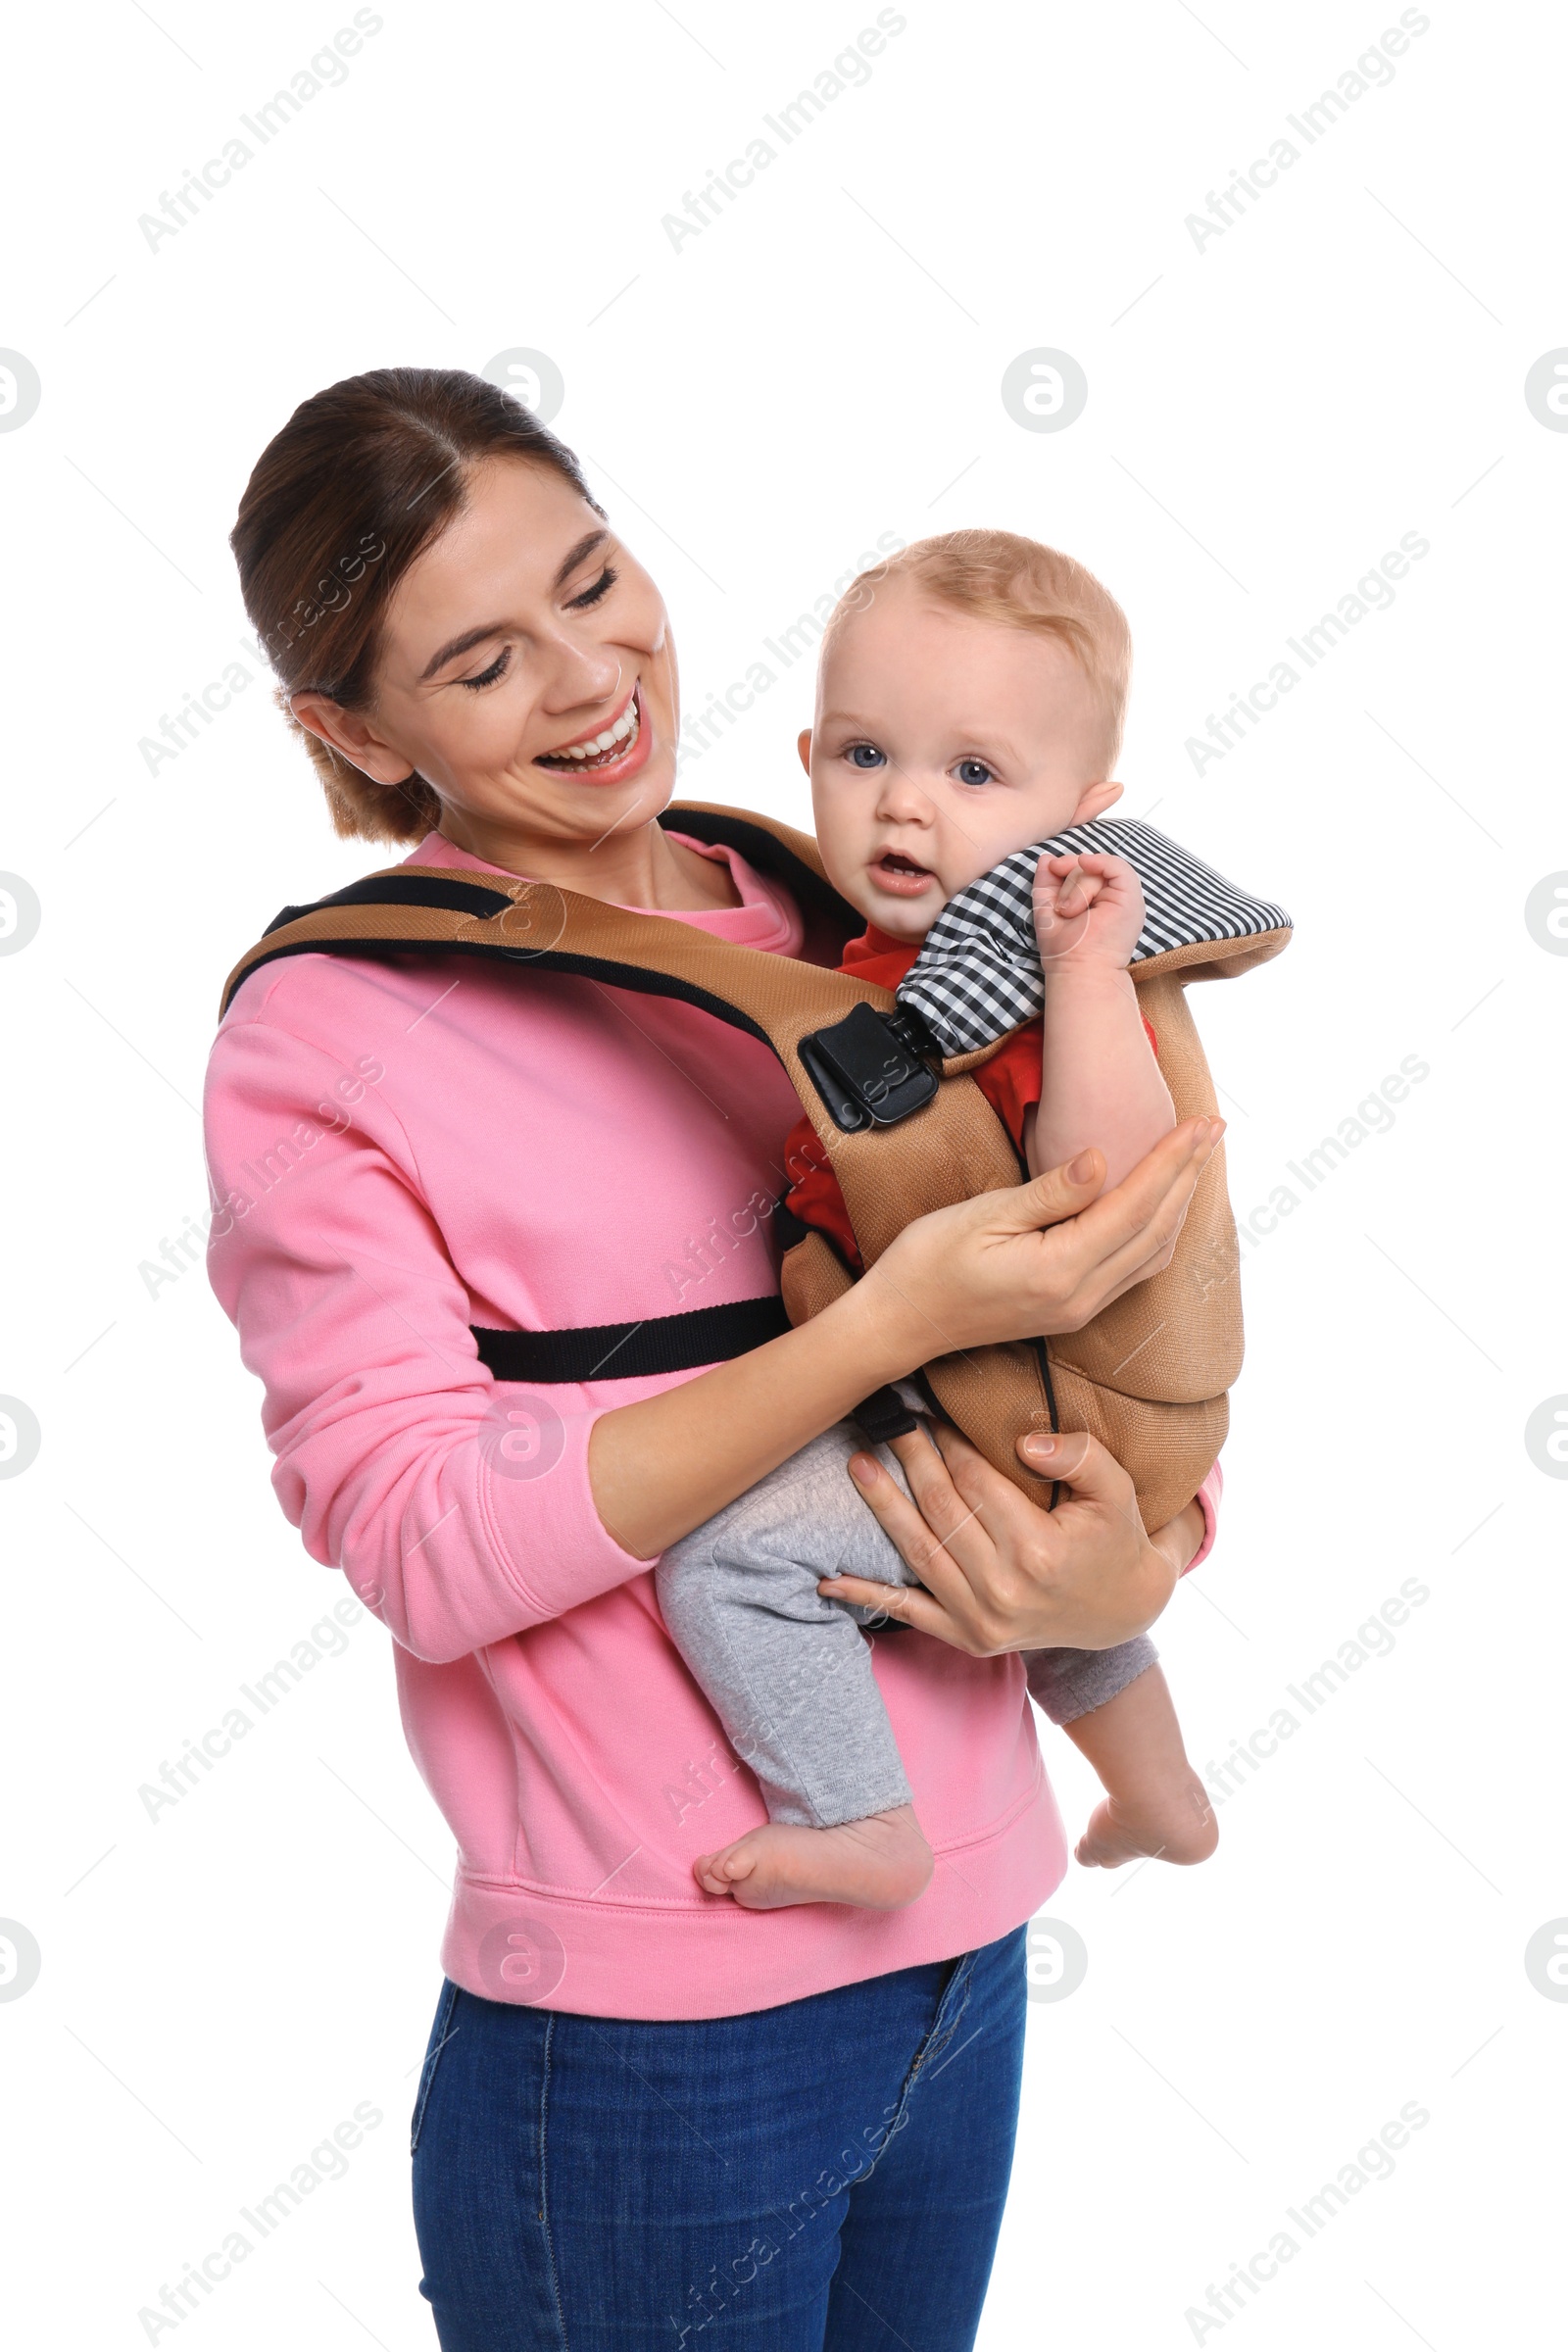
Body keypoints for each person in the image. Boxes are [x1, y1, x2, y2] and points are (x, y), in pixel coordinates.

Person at [206, 367, 1221, 2351]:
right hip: (653, 2022)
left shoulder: (841, 895)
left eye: (596, 582)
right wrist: (890, 1321)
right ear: (349, 729)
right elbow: (412, 1538)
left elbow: (1118, 1294)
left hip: (972, 1945)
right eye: (483, 662)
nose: (592, 680)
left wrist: (1131, 1564)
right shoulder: (329, 1028)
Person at [659, 530, 1243, 1914]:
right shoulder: (886, 964)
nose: (906, 809)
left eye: (974, 774)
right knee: (1054, 1604)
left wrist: (1091, 974)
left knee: (733, 1559)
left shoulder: (1037, 964)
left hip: (1038, 1412)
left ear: (1085, 814)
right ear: (806, 758)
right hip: (1005, 1415)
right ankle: (1160, 1794)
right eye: (866, 757)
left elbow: (1108, 1174)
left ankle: (861, 1822)